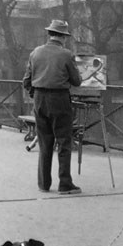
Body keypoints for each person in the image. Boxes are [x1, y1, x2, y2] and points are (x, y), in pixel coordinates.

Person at [23, 20, 82, 194]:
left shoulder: (35, 53)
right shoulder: (66, 54)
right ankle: (65, 183)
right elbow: (76, 81)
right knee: (64, 141)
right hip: (60, 100)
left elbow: (26, 81)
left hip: (40, 100)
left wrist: (36, 94)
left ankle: (44, 183)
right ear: (63, 37)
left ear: (50, 34)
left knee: (44, 142)